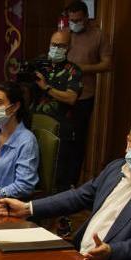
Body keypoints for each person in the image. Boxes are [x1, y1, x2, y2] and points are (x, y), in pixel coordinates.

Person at [0, 115, 131, 260]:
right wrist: (28, 208)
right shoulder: (116, 167)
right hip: (79, 256)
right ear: (128, 142)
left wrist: (111, 252)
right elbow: (79, 196)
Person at [62, 0, 113, 188]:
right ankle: (57, 182)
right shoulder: (64, 33)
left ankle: (71, 184)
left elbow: (107, 64)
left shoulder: (98, 35)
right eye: (71, 19)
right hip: (60, 93)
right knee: (60, 139)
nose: (74, 23)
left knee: (77, 141)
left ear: (86, 18)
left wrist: (83, 68)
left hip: (84, 96)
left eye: (78, 20)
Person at [31, 30, 83, 192]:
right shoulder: (40, 64)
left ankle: (57, 206)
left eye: (61, 45)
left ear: (68, 48)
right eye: (54, 44)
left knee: (56, 173)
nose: (56, 48)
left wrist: (46, 87)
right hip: (34, 122)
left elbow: (71, 97)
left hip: (60, 127)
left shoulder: (73, 70)